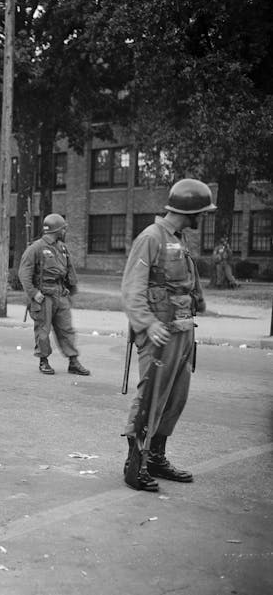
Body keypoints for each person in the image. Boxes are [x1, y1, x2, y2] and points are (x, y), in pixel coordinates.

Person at [121, 178, 215, 491]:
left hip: (183, 329)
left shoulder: (178, 238)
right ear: (189, 211)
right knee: (151, 397)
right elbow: (132, 287)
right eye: (200, 212)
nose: (202, 217)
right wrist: (147, 323)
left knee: (175, 398)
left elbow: (183, 282)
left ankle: (156, 457)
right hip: (160, 333)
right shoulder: (151, 237)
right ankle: (135, 465)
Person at [17, 213, 90, 376]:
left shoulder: (62, 247)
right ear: (57, 229)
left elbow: (70, 269)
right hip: (44, 296)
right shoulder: (35, 248)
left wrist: (71, 290)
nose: (65, 231)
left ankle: (73, 361)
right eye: (63, 228)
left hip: (60, 293)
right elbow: (24, 273)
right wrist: (33, 293)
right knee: (43, 330)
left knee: (67, 329)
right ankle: (43, 360)